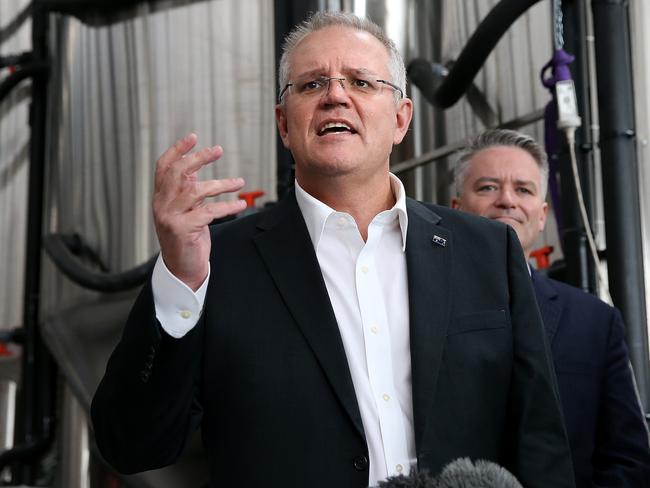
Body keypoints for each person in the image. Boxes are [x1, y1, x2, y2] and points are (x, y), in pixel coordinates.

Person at [91, 13, 575, 488]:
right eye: (311, 85)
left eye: (362, 83)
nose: (336, 96)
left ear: (401, 119)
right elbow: (132, 446)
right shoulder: (217, 263)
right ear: (284, 124)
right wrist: (179, 280)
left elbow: (541, 442)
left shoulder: (487, 250)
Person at [451, 128, 650, 488]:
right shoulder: (415, 307)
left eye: (523, 190)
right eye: (487, 187)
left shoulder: (594, 322)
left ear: (542, 215)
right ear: (456, 208)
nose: (507, 201)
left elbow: (627, 458)